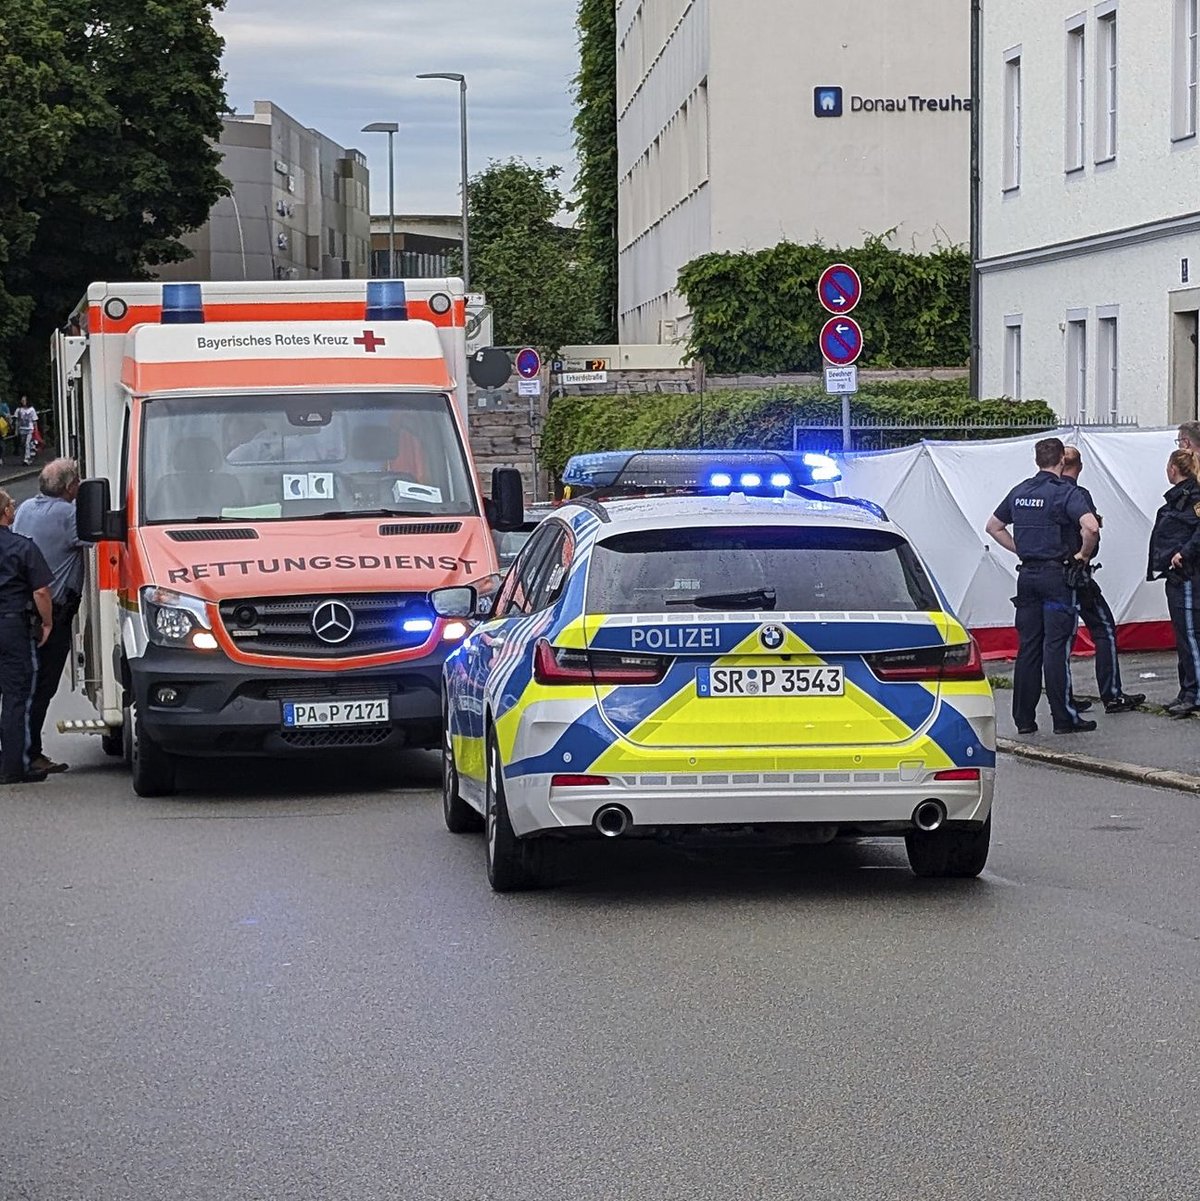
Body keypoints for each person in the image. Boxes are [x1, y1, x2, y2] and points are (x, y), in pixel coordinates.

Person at [985, 437, 1099, 735]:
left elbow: (993, 527)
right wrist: (1082, 555)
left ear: (1037, 460)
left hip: (1027, 578)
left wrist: (1020, 549)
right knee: (1056, 647)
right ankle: (1064, 717)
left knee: (1029, 648)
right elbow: (1091, 527)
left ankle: (1024, 719)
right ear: (1062, 459)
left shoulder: (1020, 491)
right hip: (1057, 577)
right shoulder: (1064, 492)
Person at [13, 459, 86, 773]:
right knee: (43, 685)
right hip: (52, 613)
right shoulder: (69, 514)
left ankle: (21, 749)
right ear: (71, 487)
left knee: (26, 683)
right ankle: (31, 753)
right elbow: (97, 537)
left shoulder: (27, 508)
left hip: (23, 609)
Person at [1060, 446, 1145, 714]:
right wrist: (1084, 555)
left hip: (1049, 574)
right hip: (1078, 574)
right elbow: (1091, 529)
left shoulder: (1040, 492)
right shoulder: (1077, 495)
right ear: (1079, 466)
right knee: (1104, 629)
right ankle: (1112, 694)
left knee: (1059, 639)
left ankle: (1064, 699)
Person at [0, 488, 53, 784]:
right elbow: (41, 591)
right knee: (16, 697)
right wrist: (47, 623)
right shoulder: (22, 547)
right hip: (11, 627)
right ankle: (13, 766)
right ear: (6, 513)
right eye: (11, 505)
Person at [1147, 449, 1200, 718]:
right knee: (1183, 637)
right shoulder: (1178, 499)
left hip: (1189, 575)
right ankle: (1186, 690)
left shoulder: (1193, 497)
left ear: (1173, 469)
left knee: (1191, 636)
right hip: (1176, 576)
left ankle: (1196, 693)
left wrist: (1184, 553)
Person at [15, 397, 37, 466]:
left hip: (30, 429)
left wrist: (36, 430)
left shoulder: (31, 409)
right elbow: (17, 421)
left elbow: (34, 420)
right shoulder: (19, 410)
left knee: (27, 443)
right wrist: (16, 430)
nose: (23, 401)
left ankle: (26, 459)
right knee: (23, 444)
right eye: (22, 400)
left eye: (24, 400)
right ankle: (26, 456)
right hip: (22, 429)